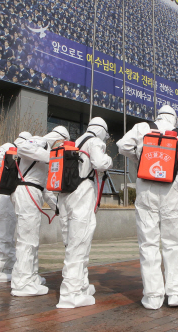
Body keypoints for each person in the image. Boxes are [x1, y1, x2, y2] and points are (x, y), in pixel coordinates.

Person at [117, 105, 178, 310]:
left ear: (157, 115)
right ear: (174, 119)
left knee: (148, 243)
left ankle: (152, 297)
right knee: (174, 242)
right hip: (171, 189)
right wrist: (175, 181)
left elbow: (122, 145)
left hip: (146, 188)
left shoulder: (142, 128)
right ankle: (177, 293)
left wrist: (139, 161)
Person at [57, 118, 113, 309]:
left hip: (66, 195)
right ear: (102, 131)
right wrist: (109, 160)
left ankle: (81, 284)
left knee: (72, 242)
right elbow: (99, 162)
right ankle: (70, 294)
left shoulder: (76, 141)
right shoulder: (95, 142)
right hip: (82, 193)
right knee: (79, 242)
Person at [12, 126, 70, 296]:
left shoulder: (46, 150)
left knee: (31, 239)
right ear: (58, 138)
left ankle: (30, 277)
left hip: (34, 192)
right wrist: (51, 157)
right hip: (27, 191)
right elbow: (22, 147)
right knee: (27, 240)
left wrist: (57, 207)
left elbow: (45, 188)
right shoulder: (40, 141)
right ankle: (22, 284)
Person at [0, 132, 31, 284]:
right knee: (2, 236)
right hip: (3, 197)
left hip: (7, 196)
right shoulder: (8, 147)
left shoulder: (15, 150)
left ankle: (7, 267)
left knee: (8, 236)